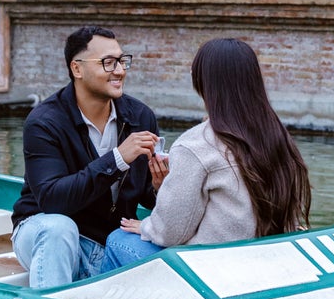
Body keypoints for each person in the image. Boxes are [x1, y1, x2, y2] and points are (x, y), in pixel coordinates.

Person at [104, 37, 311, 268]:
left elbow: (171, 233)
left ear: (203, 81)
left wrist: (146, 226)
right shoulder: (277, 135)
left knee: (118, 240)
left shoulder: (195, 144)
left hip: (213, 267)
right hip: (265, 258)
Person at [10, 25, 166, 290]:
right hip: (45, 232)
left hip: (111, 239)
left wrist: (160, 186)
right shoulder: (44, 122)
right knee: (59, 229)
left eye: (122, 61)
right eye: (108, 62)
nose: (120, 70)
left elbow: (147, 199)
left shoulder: (140, 116)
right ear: (77, 69)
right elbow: (52, 200)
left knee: (154, 246)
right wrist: (117, 159)